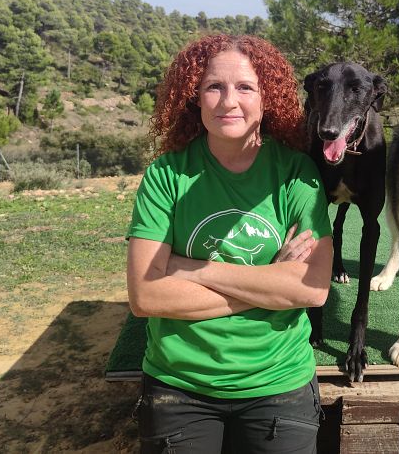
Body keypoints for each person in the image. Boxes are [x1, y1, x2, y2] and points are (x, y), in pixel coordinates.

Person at [126, 34, 333, 453]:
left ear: (267, 98)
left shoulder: (296, 174)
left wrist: (191, 268)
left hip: (279, 383)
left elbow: (311, 288)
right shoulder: (167, 175)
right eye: (213, 87)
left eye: (245, 87)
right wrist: (270, 284)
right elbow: (146, 295)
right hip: (179, 386)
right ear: (195, 98)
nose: (228, 101)